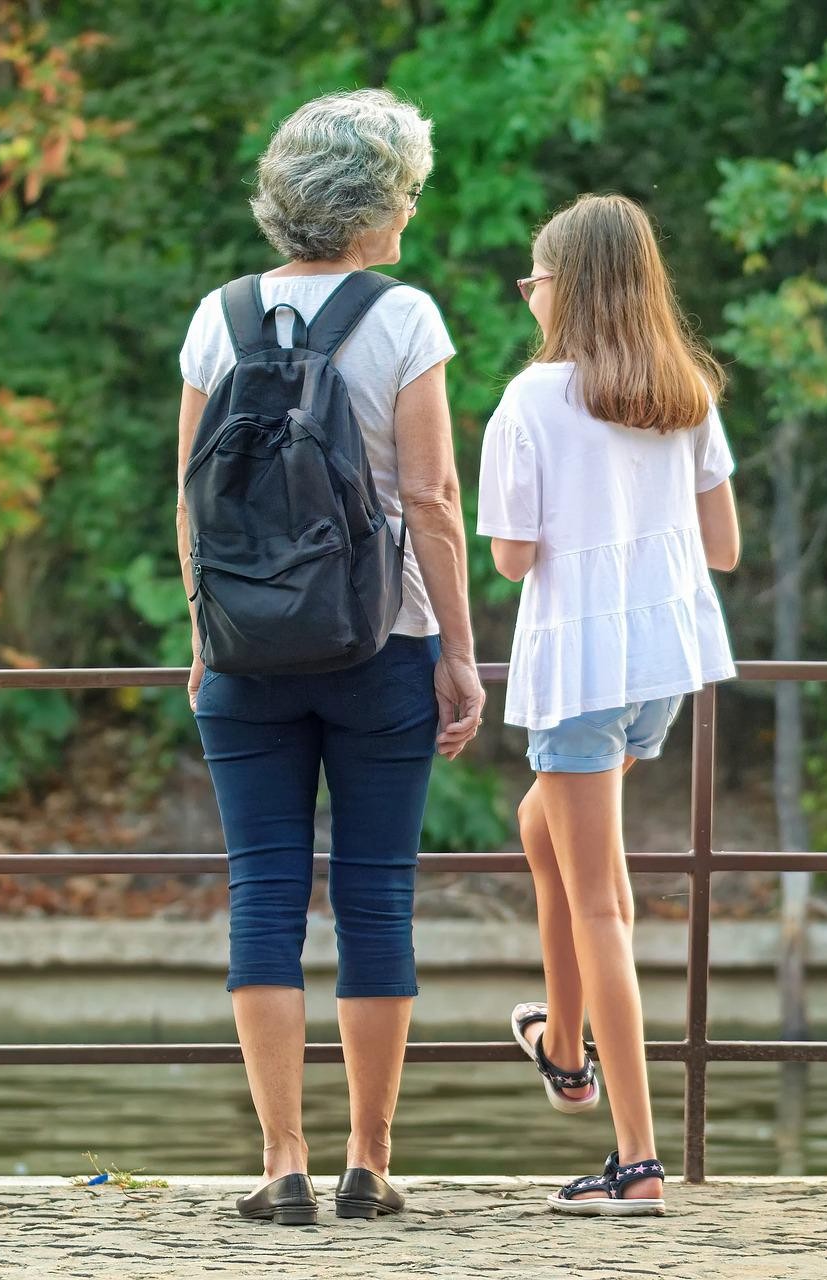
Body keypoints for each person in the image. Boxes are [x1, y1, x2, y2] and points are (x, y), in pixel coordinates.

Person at [174, 88, 484, 1224]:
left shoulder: (218, 316)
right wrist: (457, 648)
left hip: (246, 650)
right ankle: (368, 1160)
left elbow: (191, 499)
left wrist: (207, 634)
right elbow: (434, 499)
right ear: (374, 205)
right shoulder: (404, 316)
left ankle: (281, 1162)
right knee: (375, 896)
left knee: (263, 892)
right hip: (380, 644)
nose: (409, 211)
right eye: (405, 191)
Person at [477, 192, 742, 1216]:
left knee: (603, 901)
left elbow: (510, 557)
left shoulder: (533, 401)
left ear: (565, 288)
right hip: (662, 667)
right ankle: (561, 1043)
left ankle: (631, 1153)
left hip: (579, 670)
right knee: (540, 822)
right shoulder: (688, 392)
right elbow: (722, 549)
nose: (527, 296)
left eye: (533, 279)